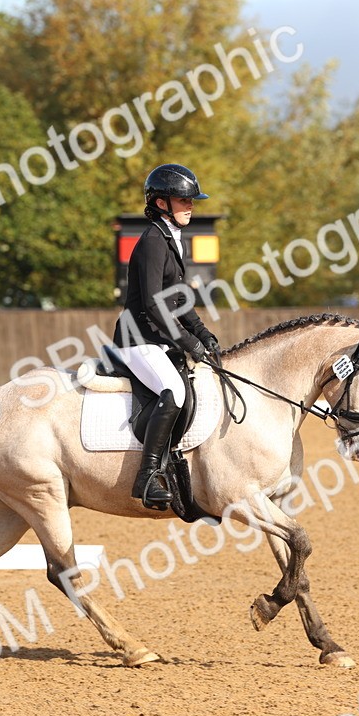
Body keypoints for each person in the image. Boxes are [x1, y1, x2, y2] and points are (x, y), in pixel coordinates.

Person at [111, 163, 222, 510]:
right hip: (137, 339)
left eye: (191, 201)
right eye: (183, 200)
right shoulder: (152, 242)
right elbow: (153, 304)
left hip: (157, 339)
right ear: (162, 203)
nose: (191, 206)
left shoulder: (172, 239)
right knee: (172, 391)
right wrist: (188, 342)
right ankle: (147, 476)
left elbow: (178, 298)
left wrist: (202, 333)